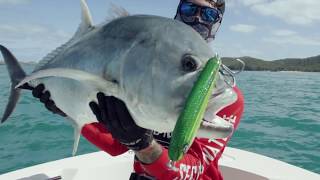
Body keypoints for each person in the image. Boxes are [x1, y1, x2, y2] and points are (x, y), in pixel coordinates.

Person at [32, 0, 244, 179]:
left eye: (208, 14)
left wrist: (143, 145)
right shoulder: (141, 79)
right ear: (178, 12)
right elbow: (117, 145)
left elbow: (194, 168)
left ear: (217, 24)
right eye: (190, 10)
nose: (198, 19)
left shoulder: (228, 100)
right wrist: (67, 111)